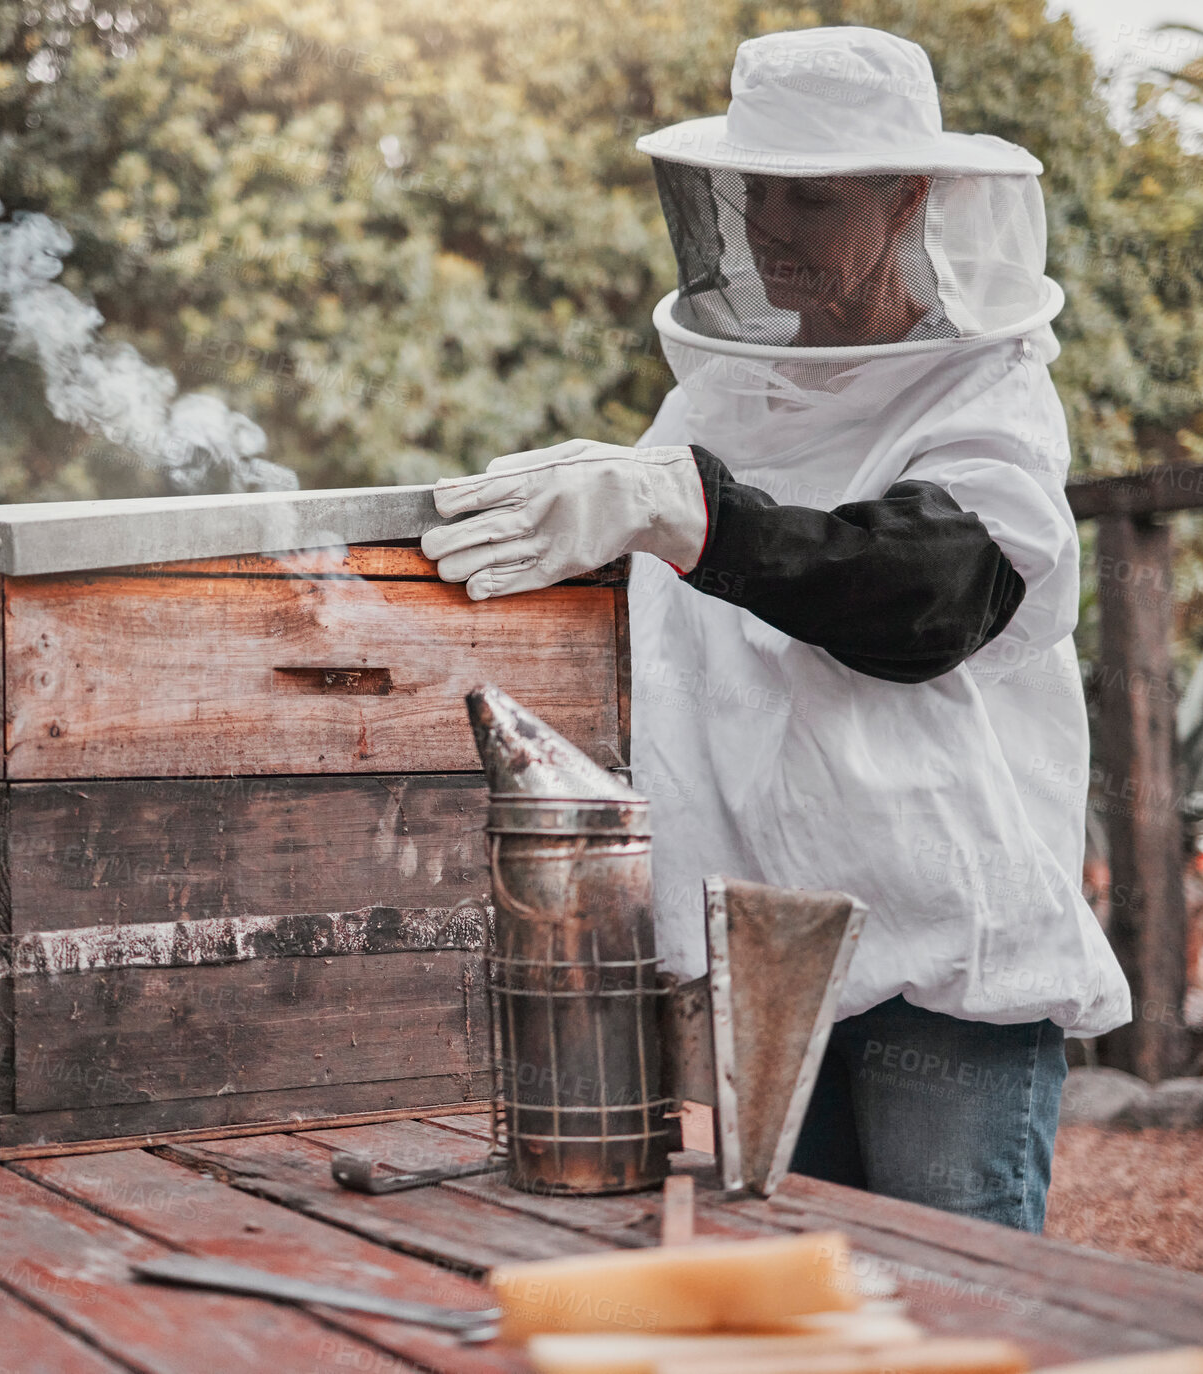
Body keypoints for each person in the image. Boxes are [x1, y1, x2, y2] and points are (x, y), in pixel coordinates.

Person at [420, 25, 1132, 1232]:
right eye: (753, 194)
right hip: (759, 951)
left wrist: (693, 512)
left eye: (811, 196)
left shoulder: (988, 393)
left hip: (936, 961)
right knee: (797, 1290)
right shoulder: (710, 395)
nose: (768, 229)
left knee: (948, 1305)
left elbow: (932, 591)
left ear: (910, 198)